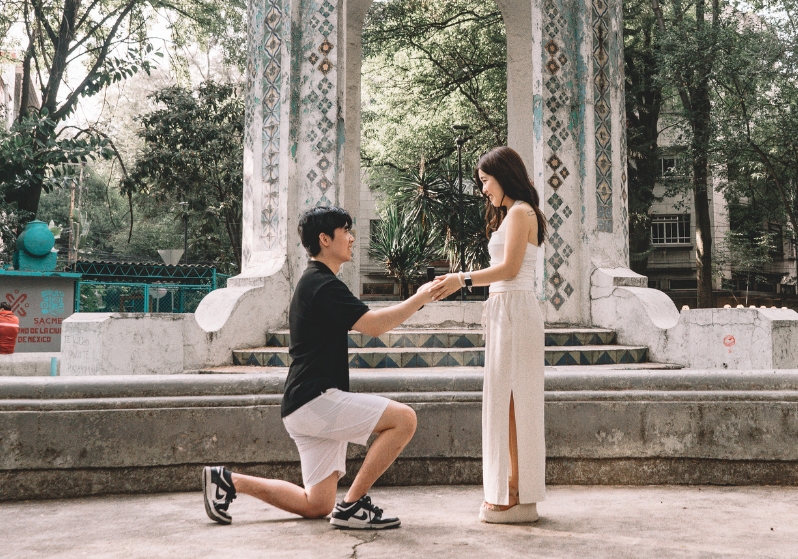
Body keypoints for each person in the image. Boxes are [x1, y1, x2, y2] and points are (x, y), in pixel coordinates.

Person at [202, 205, 440, 529]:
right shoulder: (322, 284)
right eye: (346, 231)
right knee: (404, 420)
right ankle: (353, 505)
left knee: (316, 503)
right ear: (325, 239)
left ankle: (227, 481)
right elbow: (374, 326)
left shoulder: (315, 282)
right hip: (315, 400)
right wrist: (420, 298)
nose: (352, 238)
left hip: (302, 404)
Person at [430, 146, 546, 524]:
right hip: (508, 310)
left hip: (513, 308)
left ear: (504, 175)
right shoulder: (516, 213)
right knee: (507, 401)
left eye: (485, 181)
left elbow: (510, 269)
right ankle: (513, 487)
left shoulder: (519, 212)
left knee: (513, 401)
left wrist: (460, 278)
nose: (482, 190)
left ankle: (514, 490)